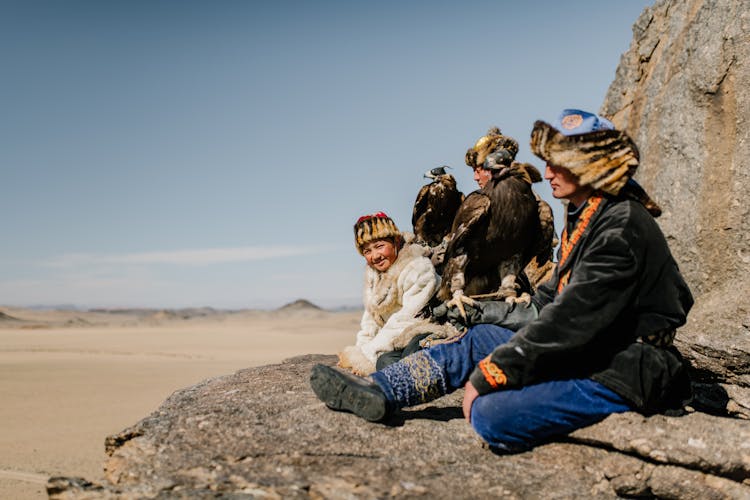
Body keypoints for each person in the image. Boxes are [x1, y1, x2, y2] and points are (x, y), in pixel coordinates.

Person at [310, 110, 694, 452]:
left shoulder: (620, 227)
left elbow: (571, 320)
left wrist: (497, 371)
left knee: (491, 413)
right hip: (590, 347)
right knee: (477, 339)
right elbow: (549, 301)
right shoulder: (589, 215)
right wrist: (482, 312)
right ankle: (381, 391)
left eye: (560, 164)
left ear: (593, 167)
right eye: (548, 163)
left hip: (627, 365)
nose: (546, 173)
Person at [337, 212, 440, 375]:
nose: (375, 256)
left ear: (396, 241)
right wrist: (361, 349)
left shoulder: (418, 268)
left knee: (397, 361)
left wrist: (368, 354)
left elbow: (407, 318)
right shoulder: (374, 274)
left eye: (379, 246)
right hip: (395, 338)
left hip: (425, 329)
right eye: (367, 251)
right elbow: (371, 317)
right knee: (385, 362)